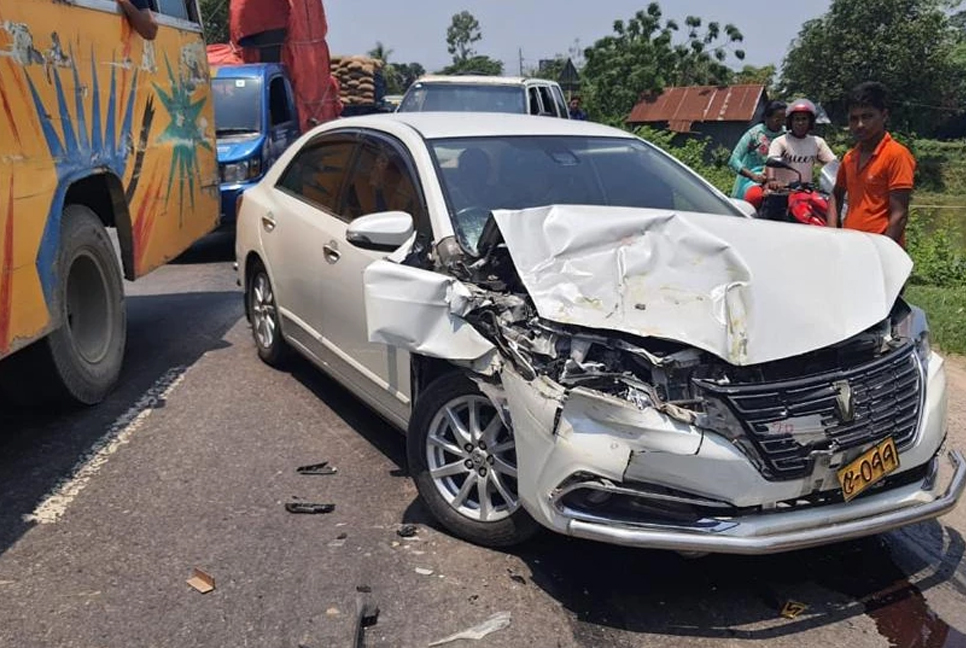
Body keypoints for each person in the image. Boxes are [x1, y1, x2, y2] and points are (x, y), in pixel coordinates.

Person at [827, 82, 915, 247]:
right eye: (854, 119)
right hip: (851, 244)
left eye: (867, 116)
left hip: (880, 250)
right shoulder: (850, 157)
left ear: (884, 115)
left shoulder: (896, 155)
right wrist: (832, 233)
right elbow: (836, 195)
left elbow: (900, 214)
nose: (860, 124)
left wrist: (883, 253)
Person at [762, 98, 837, 220]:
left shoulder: (817, 142)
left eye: (804, 119)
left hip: (806, 192)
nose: (800, 123)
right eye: (797, 119)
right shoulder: (780, 141)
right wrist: (772, 180)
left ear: (810, 122)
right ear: (790, 122)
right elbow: (772, 162)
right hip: (783, 192)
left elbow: (832, 163)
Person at [728, 100, 786, 209]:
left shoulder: (786, 135)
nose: (781, 123)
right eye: (777, 119)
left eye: (784, 119)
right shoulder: (754, 134)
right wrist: (753, 176)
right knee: (755, 197)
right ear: (766, 117)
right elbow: (734, 160)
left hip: (779, 183)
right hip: (753, 182)